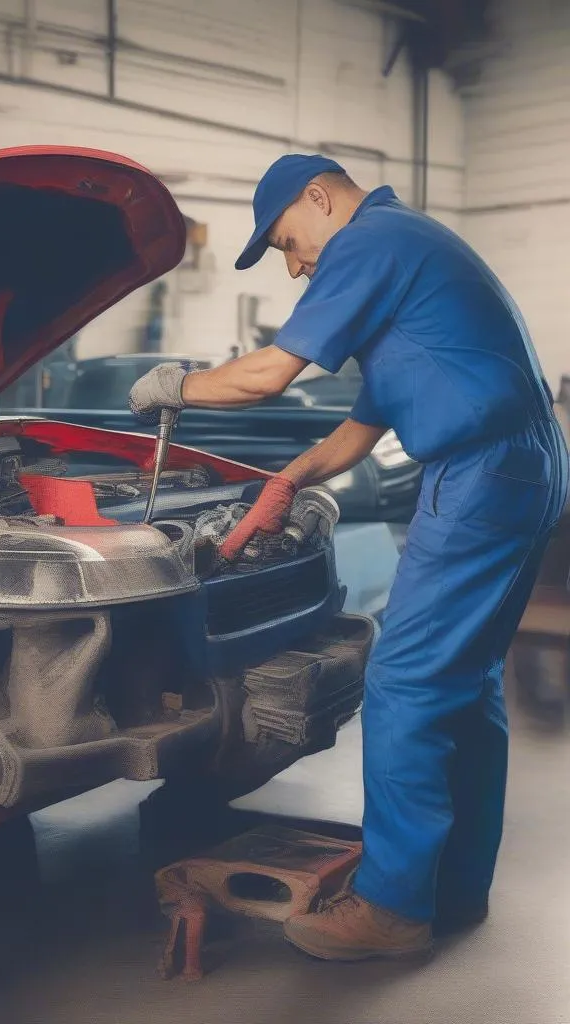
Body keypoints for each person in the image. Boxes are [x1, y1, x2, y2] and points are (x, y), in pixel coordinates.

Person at [129, 154, 570, 961]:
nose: (297, 267)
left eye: (291, 243)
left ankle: (393, 907)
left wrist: (175, 385)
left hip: (477, 474)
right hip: (521, 463)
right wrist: (287, 481)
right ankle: (454, 889)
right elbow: (361, 430)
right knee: (466, 684)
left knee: (404, 680)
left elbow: (265, 377)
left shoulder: (372, 243)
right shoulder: (408, 260)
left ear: (320, 198)